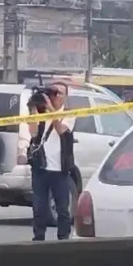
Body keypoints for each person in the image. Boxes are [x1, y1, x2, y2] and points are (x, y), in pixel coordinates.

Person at [26, 81, 76, 241]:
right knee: (39, 207)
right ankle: (38, 237)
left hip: (60, 169)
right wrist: (33, 110)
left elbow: (61, 129)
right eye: (53, 92)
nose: (55, 96)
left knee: (62, 208)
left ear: (65, 97)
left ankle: (63, 238)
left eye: (58, 93)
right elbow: (33, 133)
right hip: (40, 167)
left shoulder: (69, 113)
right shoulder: (41, 112)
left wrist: (51, 109)